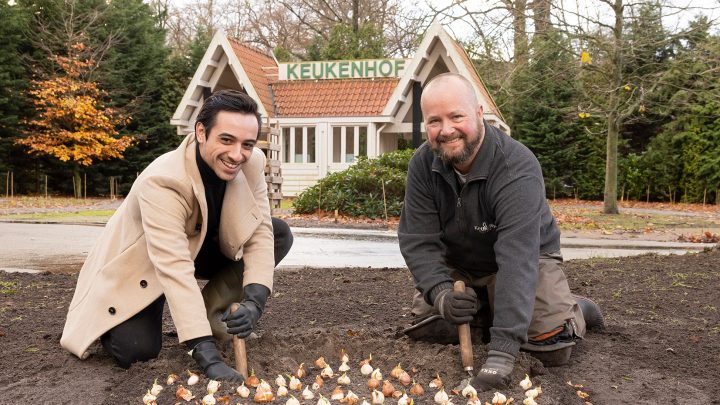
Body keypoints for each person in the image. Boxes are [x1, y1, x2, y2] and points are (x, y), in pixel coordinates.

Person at [61, 89, 293, 382]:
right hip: (144, 264)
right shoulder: (163, 181)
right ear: (200, 132)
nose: (237, 154)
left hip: (203, 245)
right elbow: (174, 266)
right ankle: (145, 309)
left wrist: (254, 302)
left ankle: (211, 315)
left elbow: (258, 231)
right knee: (136, 351)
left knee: (278, 233)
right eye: (226, 140)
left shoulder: (252, 162)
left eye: (246, 144)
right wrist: (206, 356)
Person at [398, 73, 603, 391]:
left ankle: (576, 309)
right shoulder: (423, 165)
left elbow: (517, 260)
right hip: (462, 265)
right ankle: (487, 304)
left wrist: (502, 353)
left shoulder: (516, 166)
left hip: (526, 259)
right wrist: (440, 294)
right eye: (434, 121)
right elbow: (418, 240)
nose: (446, 130)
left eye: (456, 116)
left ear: (479, 113)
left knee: (551, 346)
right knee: (432, 327)